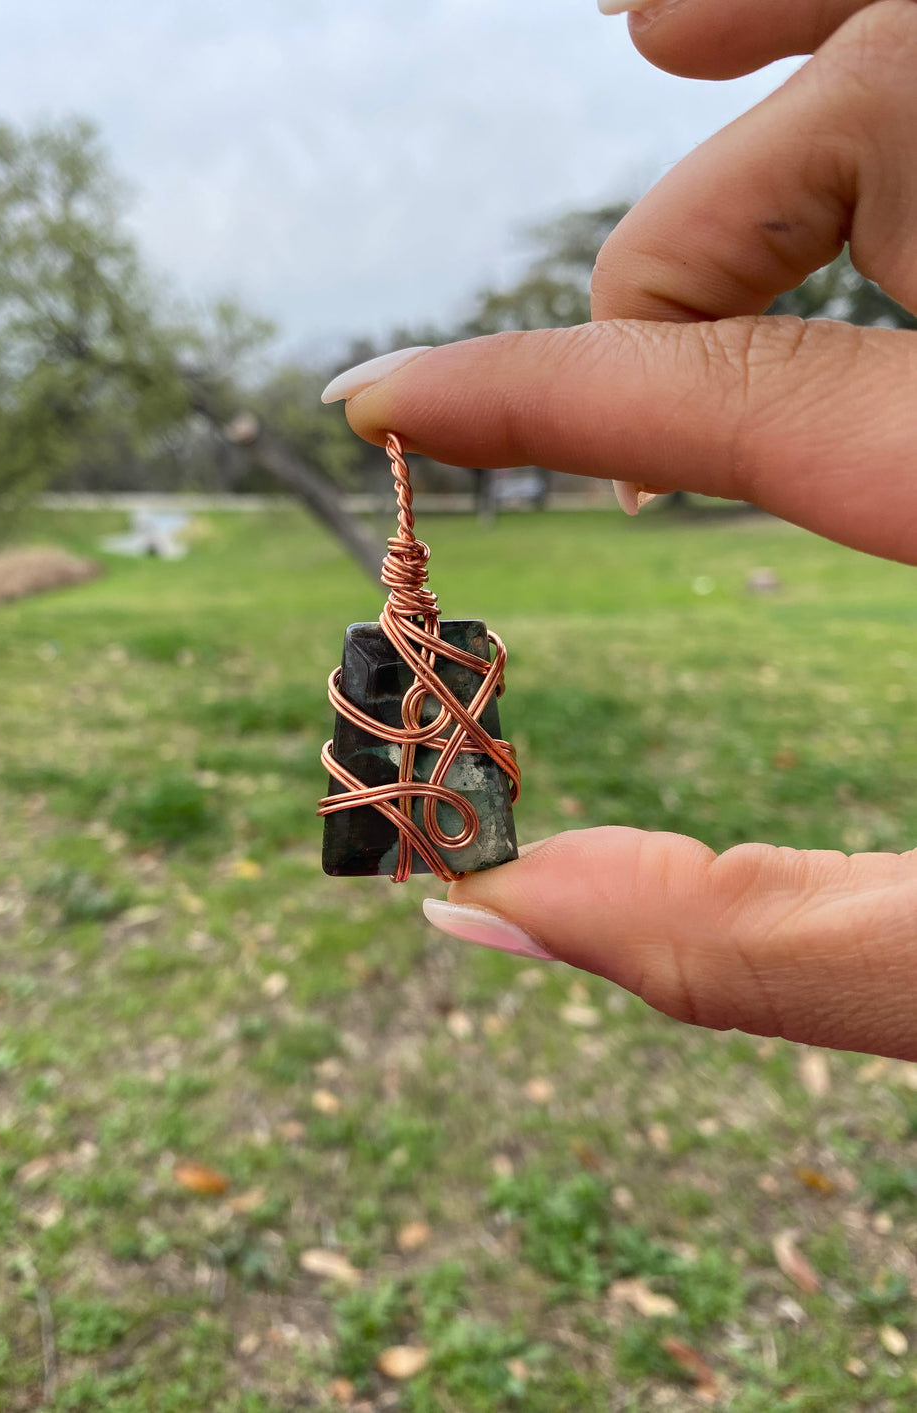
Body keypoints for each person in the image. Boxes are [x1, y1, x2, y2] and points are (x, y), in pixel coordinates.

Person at [321, 0, 917, 1062]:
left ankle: (416, 809)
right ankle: (408, 813)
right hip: (410, 732)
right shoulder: (402, 660)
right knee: (411, 691)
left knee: (425, 698)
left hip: (426, 735)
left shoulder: (432, 660)